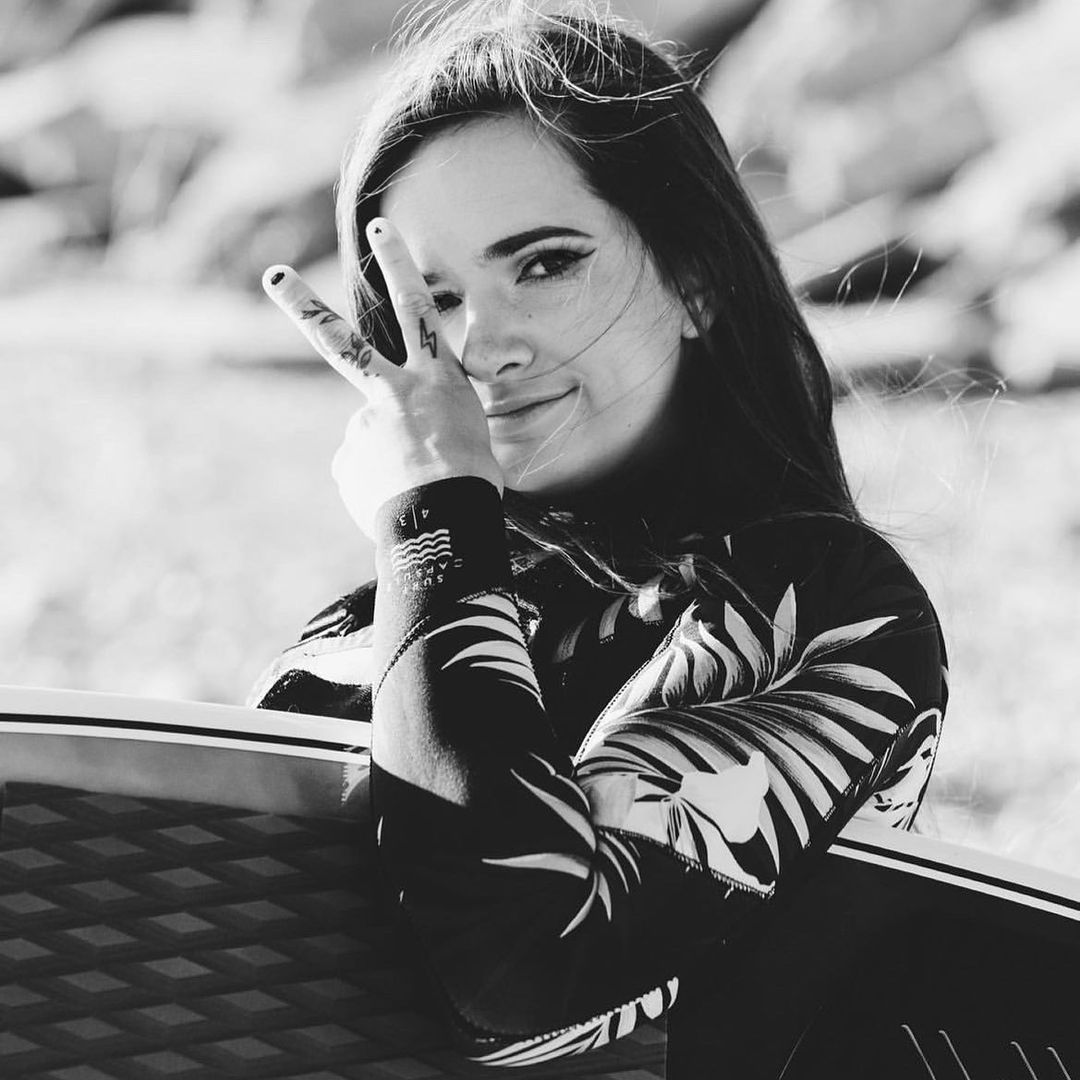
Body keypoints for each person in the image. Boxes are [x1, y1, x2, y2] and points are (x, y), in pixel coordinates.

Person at [248, 0, 948, 1069]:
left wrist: (431, 525)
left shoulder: (830, 603)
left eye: (543, 264)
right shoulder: (365, 626)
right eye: (434, 301)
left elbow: (524, 980)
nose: (481, 347)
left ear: (697, 277)